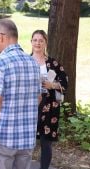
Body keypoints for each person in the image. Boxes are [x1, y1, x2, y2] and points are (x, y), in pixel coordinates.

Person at [0, 19, 41, 169]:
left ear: (1, 36)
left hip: (4, 138)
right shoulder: (33, 63)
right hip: (27, 138)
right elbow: (38, 98)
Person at [31, 30, 68, 169]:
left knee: (46, 143)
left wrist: (51, 85)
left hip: (49, 108)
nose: (38, 43)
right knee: (27, 142)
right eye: (35, 40)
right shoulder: (25, 61)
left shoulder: (53, 63)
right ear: (31, 42)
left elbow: (65, 83)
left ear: (45, 43)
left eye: (41, 40)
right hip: (29, 107)